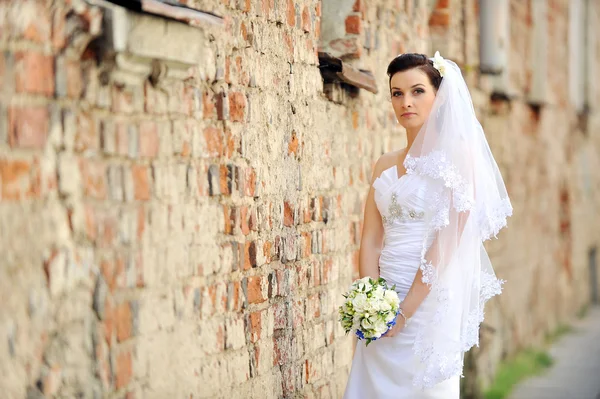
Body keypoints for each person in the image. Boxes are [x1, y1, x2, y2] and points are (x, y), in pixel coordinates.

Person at [342, 52, 513, 398]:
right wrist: (371, 301)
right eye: (397, 93)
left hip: (428, 299)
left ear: (439, 95)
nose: (406, 102)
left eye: (417, 91)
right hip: (384, 298)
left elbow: (445, 246)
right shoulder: (384, 165)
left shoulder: (458, 159)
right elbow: (372, 240)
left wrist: (404, 313)